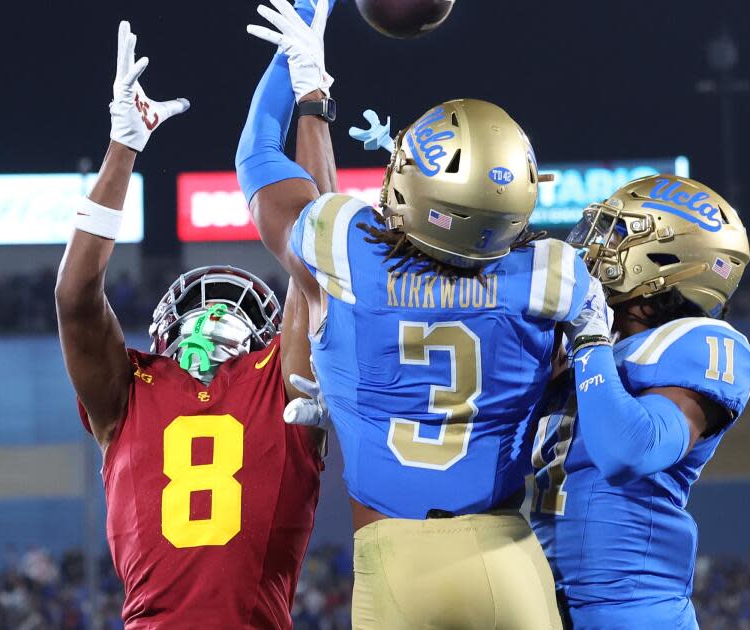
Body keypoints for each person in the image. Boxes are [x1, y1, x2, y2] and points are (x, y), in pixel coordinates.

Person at [239, 1, 591, 627]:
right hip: (509, 558)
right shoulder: (551, 278)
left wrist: (309, 82)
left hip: (396, 560)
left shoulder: (347, 253)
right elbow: (575, 386)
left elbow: (259, 157)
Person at [56, 19, 329, 629]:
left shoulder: (268, 383)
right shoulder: (142, 389)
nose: (214, 316)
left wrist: (311, 97)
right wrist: (121, 148)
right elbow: (321, 258)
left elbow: (321, 266)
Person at [529, 174, 750, 629]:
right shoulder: (578, 347)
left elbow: (629, 449)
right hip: (542, 604)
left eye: (617, 235)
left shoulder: (700, 341)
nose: (596, 247)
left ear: (664, 261)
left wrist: (592, 340)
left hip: (631, 611)